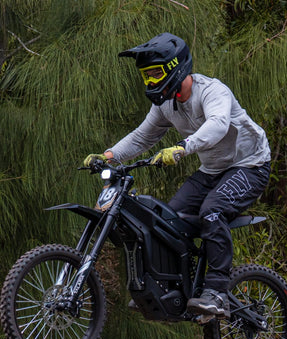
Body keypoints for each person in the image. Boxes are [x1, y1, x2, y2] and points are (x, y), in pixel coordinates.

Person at [84, 32, 271, 319]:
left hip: (250, 165)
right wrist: (107, 156)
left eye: (155, 74)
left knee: (212, 211)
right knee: (166, 223)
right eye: (146, 76)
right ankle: (173, 287)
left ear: (176, 67)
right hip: (212, 170)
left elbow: (218, 125)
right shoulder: (165, 105)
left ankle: (217, 292)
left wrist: (183, 147)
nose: (149, 82)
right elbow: (141, 137)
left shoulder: (212, 91)